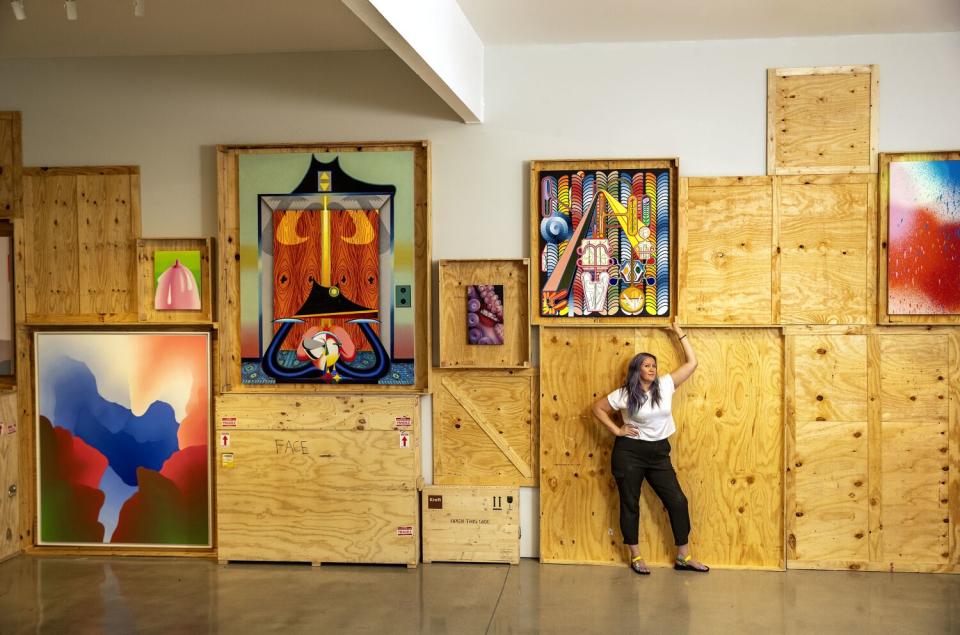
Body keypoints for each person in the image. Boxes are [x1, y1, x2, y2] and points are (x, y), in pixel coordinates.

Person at [591, 320, 709, 575]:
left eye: (654, 365)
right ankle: (635, 556)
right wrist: (617, 429)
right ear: (637, 369)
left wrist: (680, 333)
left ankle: (683, 556)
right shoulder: (624, 393)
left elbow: (692, 364)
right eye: (646, 365)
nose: (652, 368)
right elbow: (597, 409)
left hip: (658, 453)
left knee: (678, 501)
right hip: (629, 453)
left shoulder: (665, 385)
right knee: (630, 504)